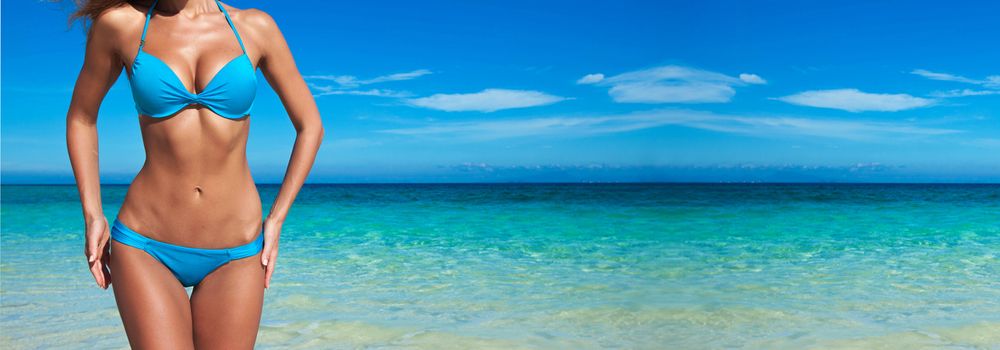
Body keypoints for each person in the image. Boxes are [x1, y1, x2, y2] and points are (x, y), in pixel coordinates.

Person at [65, 0, 324, 348]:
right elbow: (82, 117)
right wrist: (92, 213)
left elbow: (310, 126)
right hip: (146, 245)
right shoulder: (122, 24)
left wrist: (277, 219)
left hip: (238, 250)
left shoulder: (254, 27)